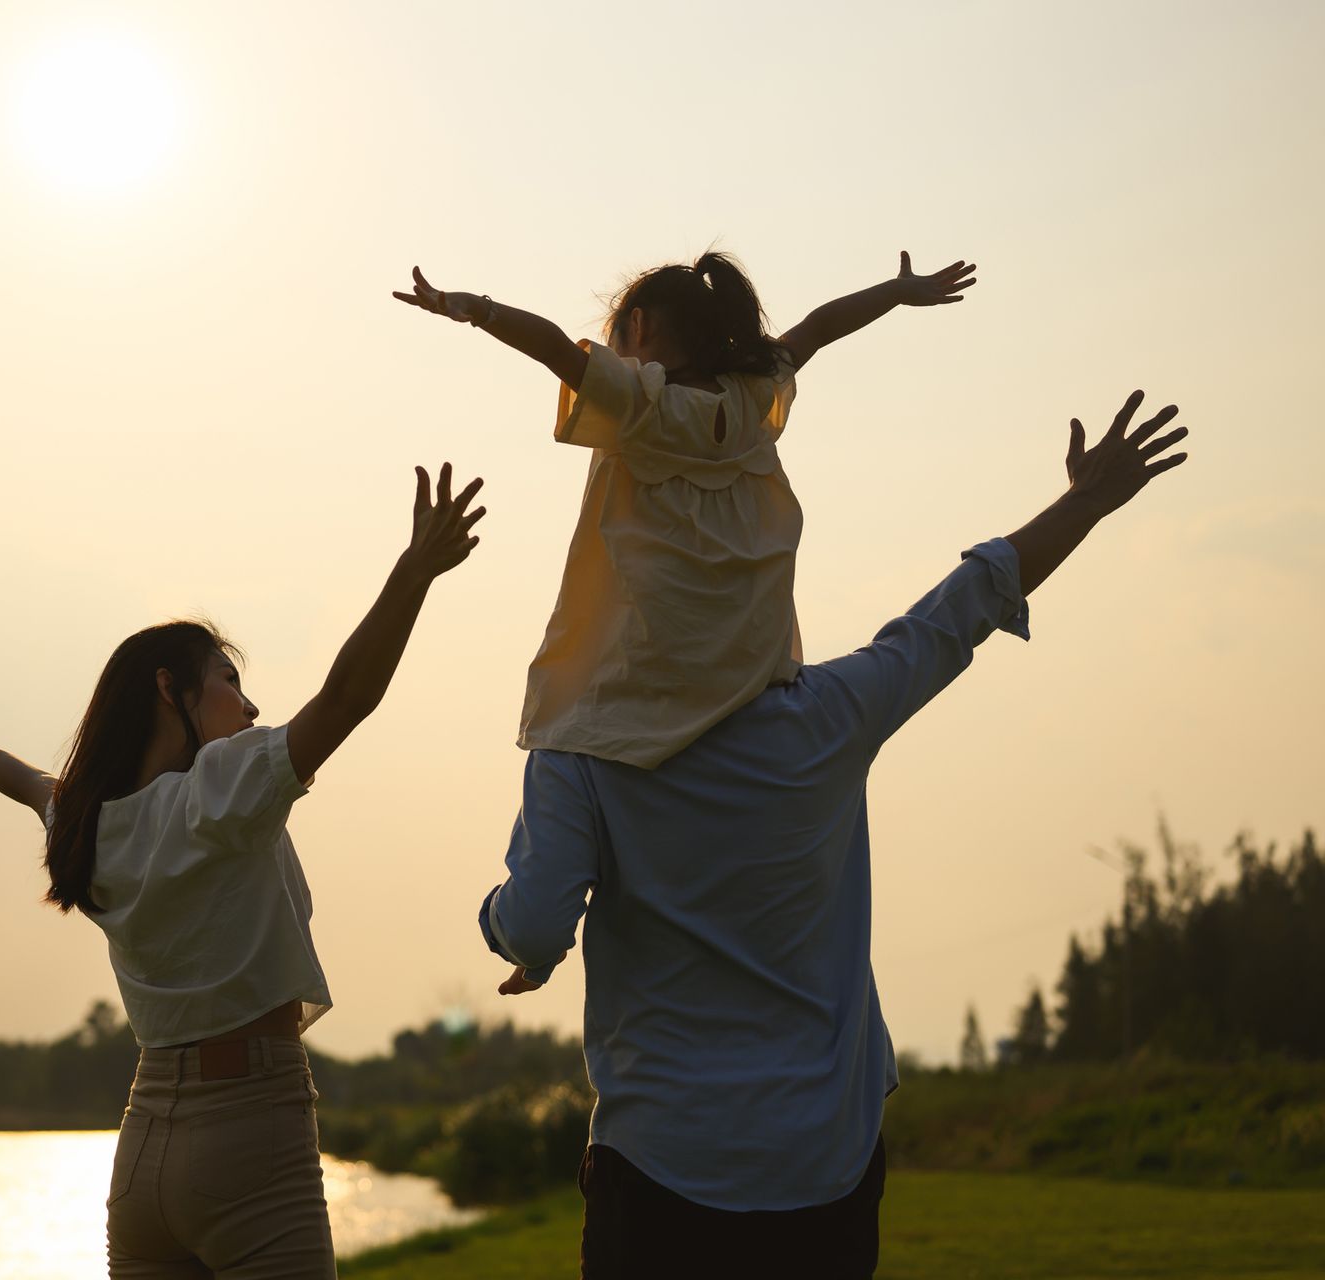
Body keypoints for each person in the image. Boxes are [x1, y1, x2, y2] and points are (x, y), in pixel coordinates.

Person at [479, 391, 1189, 1278]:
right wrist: (1084, 501)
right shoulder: (830, 716)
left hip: (663, 1167)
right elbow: (961, 606)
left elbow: (538, 920)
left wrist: (507, 931)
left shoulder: (581, 745)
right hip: (825, 1171)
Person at [0, 464, 486, 1279]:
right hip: (252, 1128)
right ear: (168, 688)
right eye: (229, 683)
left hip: (144, 1141)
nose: (251, 709)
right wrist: (414, 573)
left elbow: (30, 786)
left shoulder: (91, 823)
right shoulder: (220, 792)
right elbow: (346, 699)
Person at [395, 250, 975, 767]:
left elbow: (552, 347)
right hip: (753, 670)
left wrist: (476, 308)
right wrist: (897, 292)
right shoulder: (755, 395)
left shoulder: (638, 403)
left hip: (645, 684)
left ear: (639, 326)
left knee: (559, 756)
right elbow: (819, 327)